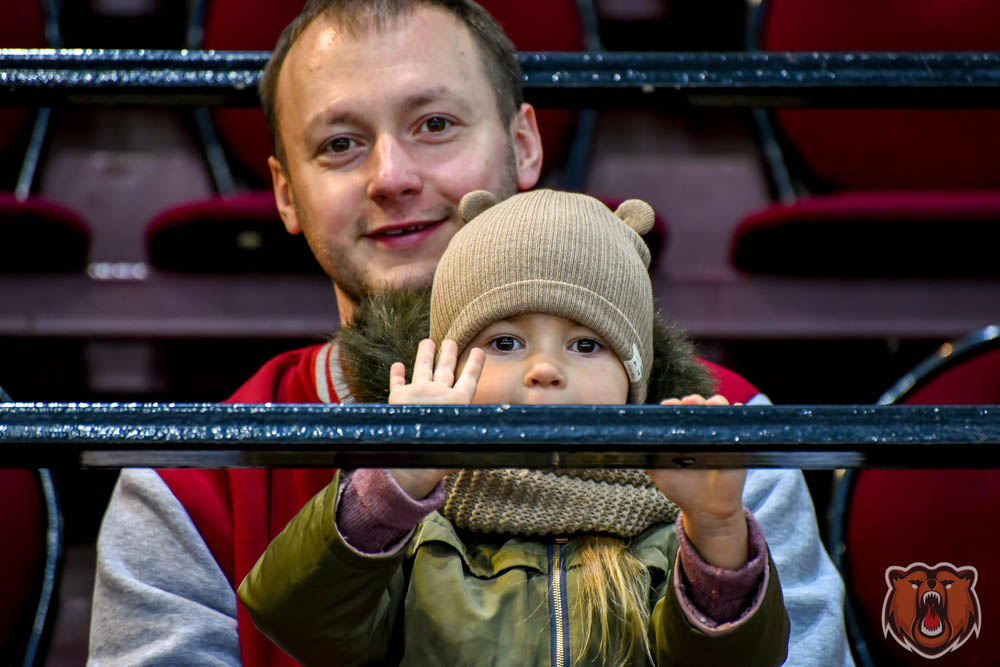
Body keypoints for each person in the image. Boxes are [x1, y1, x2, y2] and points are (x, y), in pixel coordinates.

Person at [88, 2, 852, 666]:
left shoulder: (721, 432)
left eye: (435, 124)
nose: (390, 175)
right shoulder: (192, 478)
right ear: (286, 191)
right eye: (340, 144)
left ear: (523, 147)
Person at [238, 188, 791, 666]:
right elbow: (301, 622)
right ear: (452, 369)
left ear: (634, 383)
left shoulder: (669, 529)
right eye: (505, 343)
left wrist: (715, 528)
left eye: (586, 344)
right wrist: (392, 482)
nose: (545, 369)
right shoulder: (421, 531)